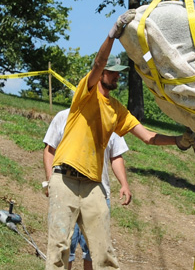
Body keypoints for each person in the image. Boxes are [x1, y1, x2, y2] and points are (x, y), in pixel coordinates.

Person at [44, 10, 195, 270]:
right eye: (112, 72)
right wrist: (112, 35)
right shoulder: (86, 93)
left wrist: (178, 141)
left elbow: (148, 137)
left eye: (119, 73)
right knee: (59, 250)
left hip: (93, 186)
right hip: (65, 180)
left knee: (104, 253)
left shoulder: (117, 109)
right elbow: (96, 63)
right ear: (103, 73)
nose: (117, 76)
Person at [43, 109, 132, 270]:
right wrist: (51, 180)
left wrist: (124, 184)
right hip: (66, 190)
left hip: (98, 192)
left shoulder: (109, 119)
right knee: (63, 247)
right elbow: (50, 149)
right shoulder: (64, 117)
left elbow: (116, 155)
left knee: (96, 249)